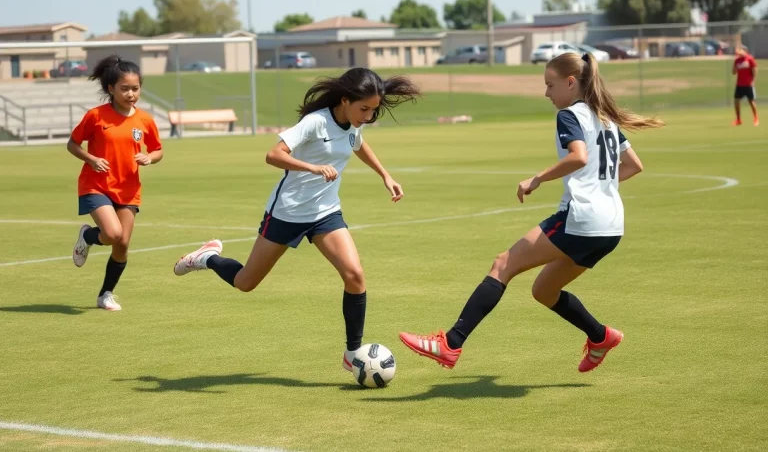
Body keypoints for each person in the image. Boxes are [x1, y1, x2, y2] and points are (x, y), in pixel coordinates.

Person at [399, 52, 663, 373]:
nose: (547, 93)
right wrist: (599, 186)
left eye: (550, 85)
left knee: (503, 264)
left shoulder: (570, 115)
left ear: (570, 83)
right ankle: (600, 336)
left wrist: (537, 178)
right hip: (611, 226)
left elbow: (578, 157)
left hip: (581, 219)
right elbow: (634, 165)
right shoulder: (604, 118)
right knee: (544, 290)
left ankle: (450, 344)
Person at [173, 67, 420, 370]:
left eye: (372, 110)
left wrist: (385, 175)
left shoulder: (354, 123)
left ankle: (352, 353)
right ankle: (207, 257)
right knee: (246, 282)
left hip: (325, 214)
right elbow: (273, 154)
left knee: (354, 276)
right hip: (287, 213)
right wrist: (313, 168)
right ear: (345, 100)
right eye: (364, 108)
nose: (368, 116)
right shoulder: (315, 122)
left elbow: (357, 143)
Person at [68, 55, 163, 311]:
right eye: (125, 89)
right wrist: (90, 158)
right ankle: (87, 236)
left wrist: (149, 157)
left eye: (135, 88)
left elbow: (158, 150)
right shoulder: (96, 116)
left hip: (128, 188)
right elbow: (73, 144)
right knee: (111, 234)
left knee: (122, 245)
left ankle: (105, 294)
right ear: (111, 89)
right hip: (96, 185)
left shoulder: (144, 120)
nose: (131, 94)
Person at [732, 45, 759, 126]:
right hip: (739, 84)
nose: (739, 51)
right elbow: (734, 72)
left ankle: (756, 118)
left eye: (741, 50)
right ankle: (738, 119)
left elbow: (754, 70)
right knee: (736, 101)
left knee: (751, 101)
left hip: (748, 84)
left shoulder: (749, 59)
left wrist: (752, 81)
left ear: (745, 51)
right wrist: (734, 65)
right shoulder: (737, 60)